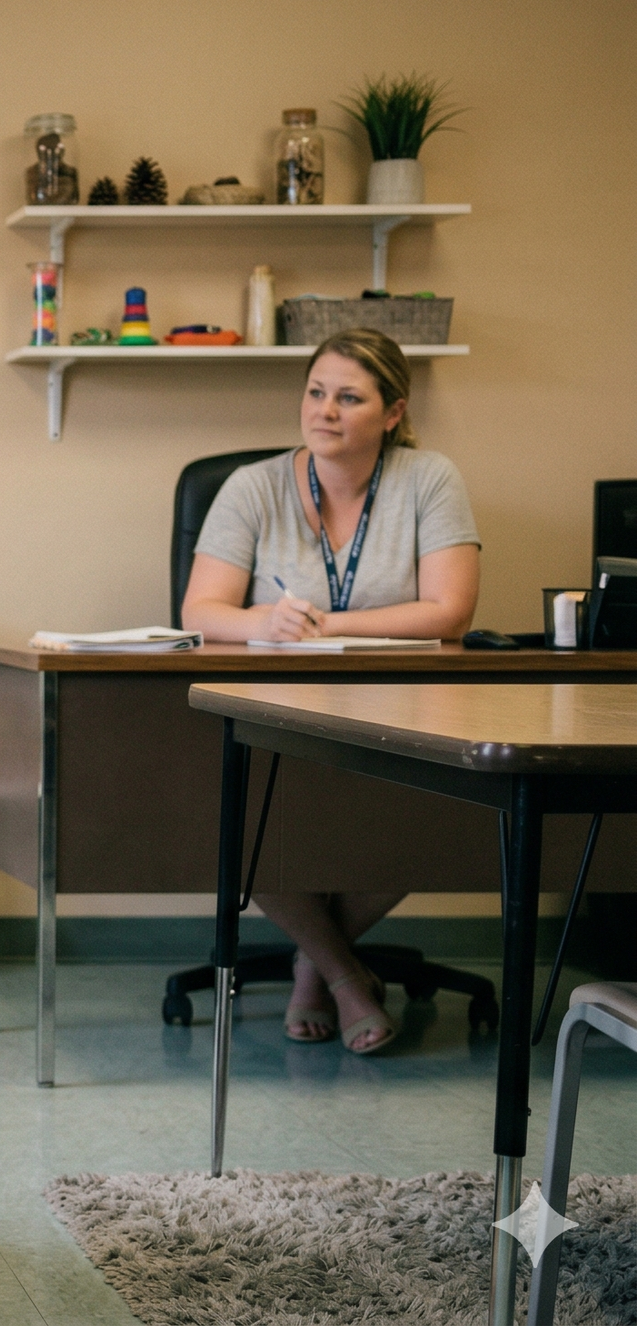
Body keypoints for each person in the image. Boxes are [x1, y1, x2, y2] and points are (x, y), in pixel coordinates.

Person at [181, 328, 482, 1054]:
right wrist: (266, 620)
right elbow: (199, 612)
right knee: (234, 812)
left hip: (401, 705)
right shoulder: (252, 486)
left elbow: (451, 611)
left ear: (392, 410)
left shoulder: (428, 478)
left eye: (349, 396)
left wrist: (329, 623)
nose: (326, 410)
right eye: (316, 391)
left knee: (442, 819)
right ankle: (343, 974)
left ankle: (315, 959)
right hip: (273, 706)